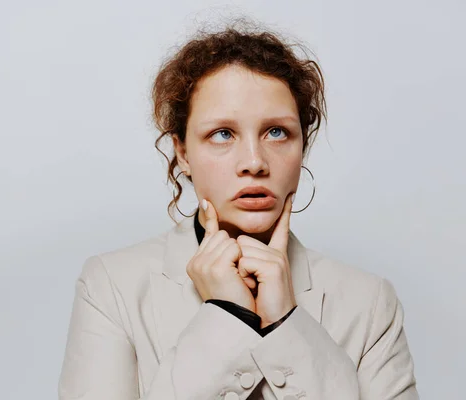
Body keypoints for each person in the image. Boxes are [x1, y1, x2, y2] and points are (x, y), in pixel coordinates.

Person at [58, 20, 419, 400]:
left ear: (303, 146)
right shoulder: (111, 287)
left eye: (277, 132)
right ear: (182, 153)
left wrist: (286, 323)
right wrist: (227, 315)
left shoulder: (370, 302)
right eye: (223, 134)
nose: (254, 162)